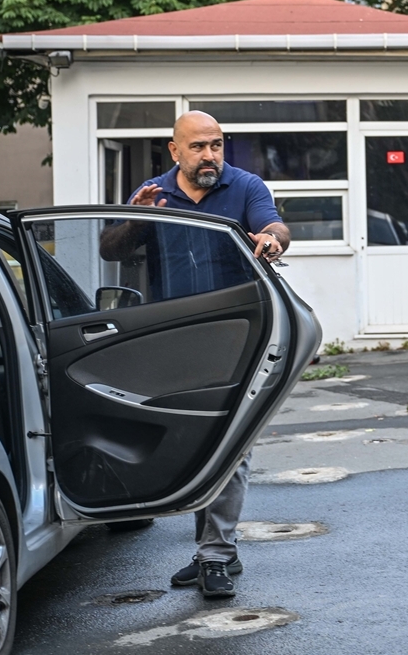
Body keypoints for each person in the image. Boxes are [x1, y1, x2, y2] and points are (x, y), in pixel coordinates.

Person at [100, 110, 290, 599]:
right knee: (193, 439)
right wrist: (133, 217)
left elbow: (274, 227)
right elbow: (111, 250)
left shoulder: (245, 187)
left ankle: (215, 555)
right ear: (175, 151)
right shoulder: (154, 193)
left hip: (236, 335)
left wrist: (270, 239)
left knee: (230, 442)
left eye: (217, 145)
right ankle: (214, 548)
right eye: (200, 147)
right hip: (175, 338)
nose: (211, 156)